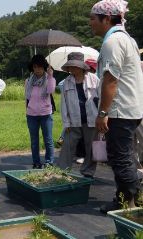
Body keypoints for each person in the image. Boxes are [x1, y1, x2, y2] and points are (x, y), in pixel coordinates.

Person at [90, 0, 143, 213]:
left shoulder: (113, 42)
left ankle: (128, 205)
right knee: (126, 156)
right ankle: (126, 197)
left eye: (93, 18)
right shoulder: (125, 38)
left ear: (106, 19)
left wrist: (103, 112)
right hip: (130, 108)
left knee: (120, 158)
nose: (90, 23)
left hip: (120, 110)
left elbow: (111, 80)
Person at [56, 52, 100, 178]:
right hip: (74, 120)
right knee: (67, 146)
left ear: (82, 66)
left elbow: (101, 98)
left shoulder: (94, 79)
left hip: (92, 119)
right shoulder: (66, 82)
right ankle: (61, 171)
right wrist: (66, 122)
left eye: (75, 66)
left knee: (91, 147)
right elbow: (63, 104)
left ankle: (87, 172)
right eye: (70, 66)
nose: (72, 69)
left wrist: (102, 116)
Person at [25, 54, 56, 169]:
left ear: (44, 67)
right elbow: (27, 98)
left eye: (40, 67)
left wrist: (51, 76)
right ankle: (36, 162)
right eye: (35, 67)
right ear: (32, 68)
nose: (37, 70)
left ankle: (49, 162)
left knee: (48, 139)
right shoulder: (28, 81)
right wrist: (27, 111)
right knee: (34, 140)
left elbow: (51, 90)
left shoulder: (49, 80)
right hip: (31, 115)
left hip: (45, 114)